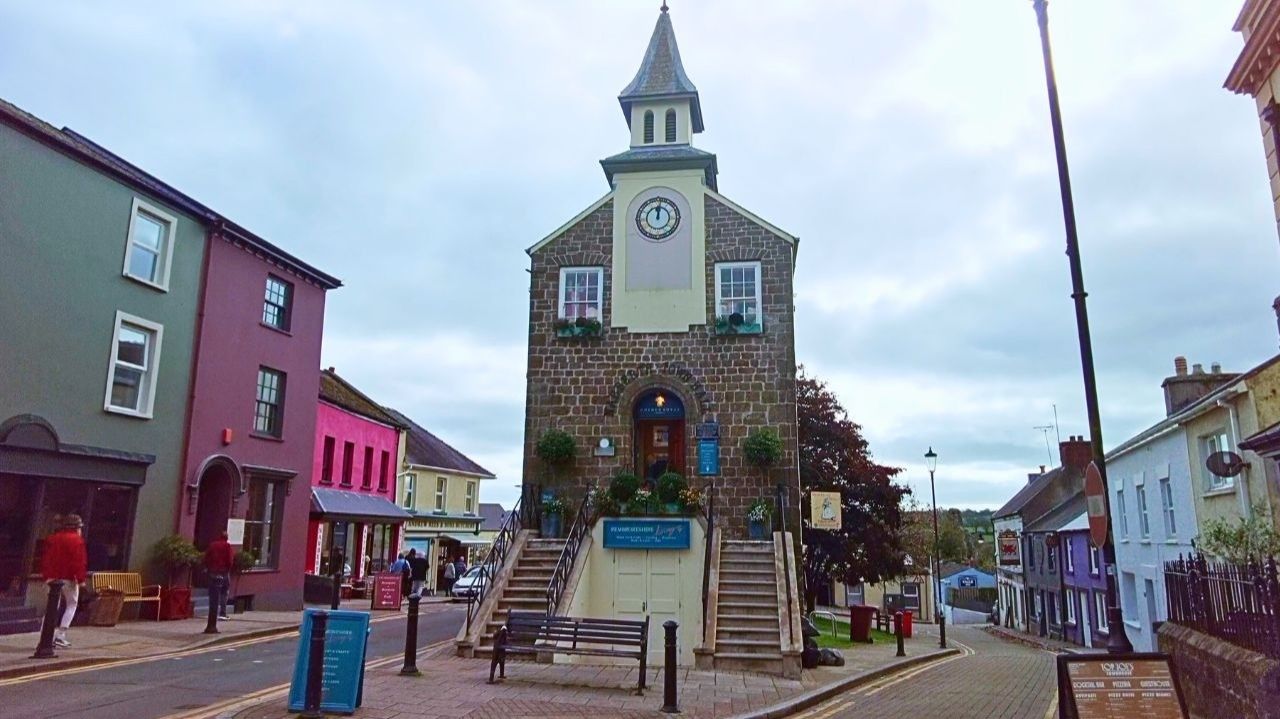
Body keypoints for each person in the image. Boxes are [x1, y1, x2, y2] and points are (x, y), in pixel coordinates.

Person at [41, 514, 87, 648]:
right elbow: (78, 563)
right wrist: (81, 580)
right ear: (76, 528)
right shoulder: (77, 541)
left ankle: (45, 637)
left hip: (51, 577)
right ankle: (60, 635)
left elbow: (45, 559)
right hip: (68, 578)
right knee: (72, 604)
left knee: (51, 608)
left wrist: (45, 576)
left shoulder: (52, 539)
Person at [204, 531, 235, 621]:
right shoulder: (227, 546)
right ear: (227, 538)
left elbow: (206, 557)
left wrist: (208, 568)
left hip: (213, 572)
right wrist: (228, 569)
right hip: (223, 572)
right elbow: (230, 560)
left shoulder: (212, 545)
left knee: (213, 592)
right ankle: (222, 613)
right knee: (224, 592)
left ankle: (212, 613)